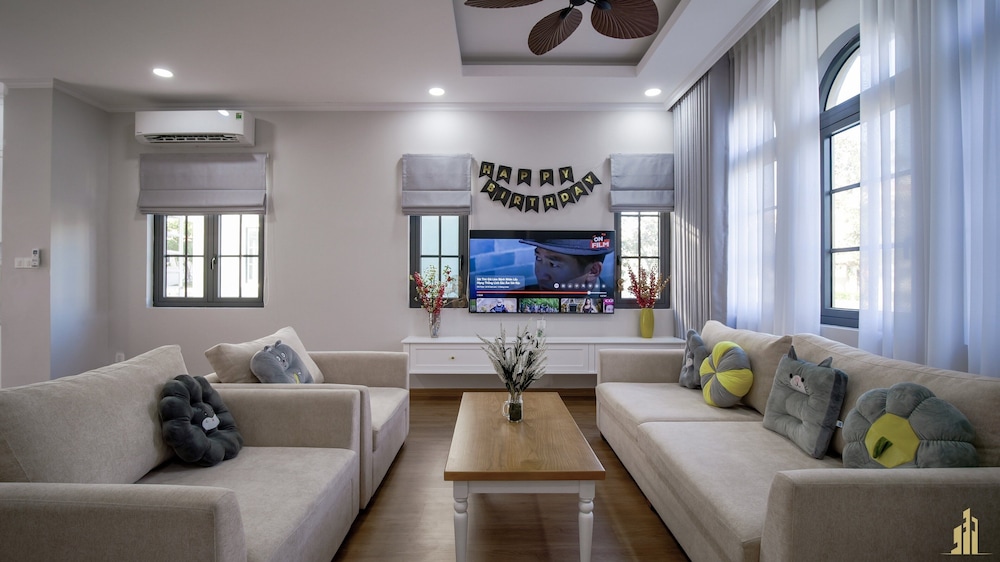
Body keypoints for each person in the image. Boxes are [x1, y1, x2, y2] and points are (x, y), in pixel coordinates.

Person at [519, 238, 612, 292]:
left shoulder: (612, 300)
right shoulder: (517, 297)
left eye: (553, 264)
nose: (541, 276)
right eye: (538, 258)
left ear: (593, 271)